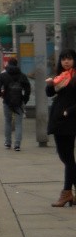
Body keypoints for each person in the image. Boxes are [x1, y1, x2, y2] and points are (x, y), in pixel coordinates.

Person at [46, 49, 76, 207]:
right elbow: (50, 94)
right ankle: (70, 194)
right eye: (64, 59)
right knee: (65, 158)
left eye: (69, 59)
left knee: (68, 158)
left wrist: (68, 111)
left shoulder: (74, 77)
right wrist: (51, 84)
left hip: (69, 121)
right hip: (58, 121)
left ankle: (66, 193)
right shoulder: (61, 76)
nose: (66, 62)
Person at [0, 57, 31, 151]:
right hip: (19, 102)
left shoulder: (3, 75)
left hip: (7, 101)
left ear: (8, 64)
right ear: (16, 64)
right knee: (19, 123)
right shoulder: (22, 75)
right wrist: (24, 99)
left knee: (8, 121)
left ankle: (8, 142)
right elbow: (28, 89)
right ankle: (17, 145)